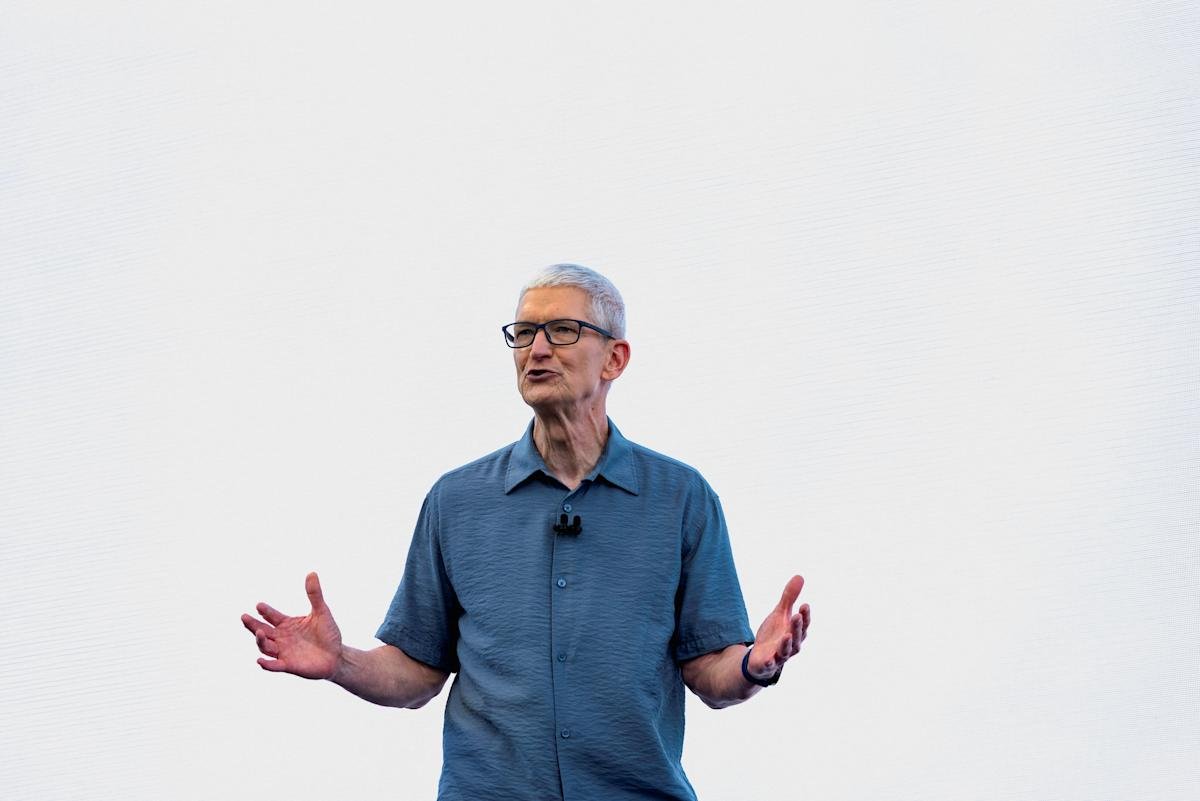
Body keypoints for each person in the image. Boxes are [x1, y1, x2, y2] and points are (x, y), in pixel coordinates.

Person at [241, 264, 812, 800]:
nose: (537, 349)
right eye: (524, 333)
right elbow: (417, 671)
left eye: (562, 330)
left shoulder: (681, 498)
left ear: (614, 359)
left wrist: (754, 665)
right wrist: (340, 661)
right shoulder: (456, 501)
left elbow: (709, 671)